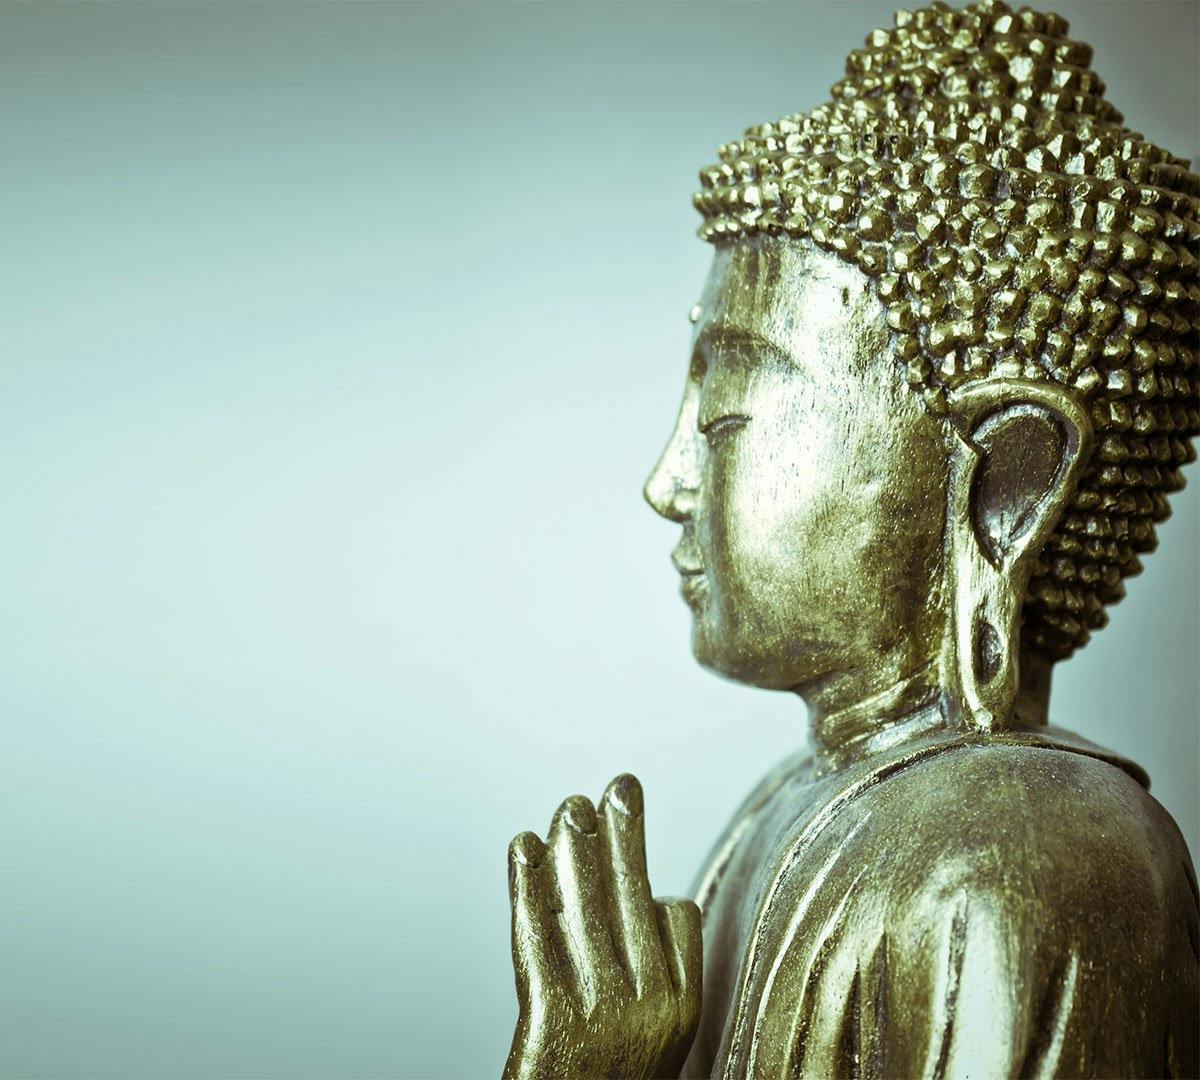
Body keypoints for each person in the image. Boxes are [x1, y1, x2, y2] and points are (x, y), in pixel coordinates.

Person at [504, 3, 1200, 1076]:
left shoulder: (1040, 860)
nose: (666, 482)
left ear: (1003, 486)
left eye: (724, 417)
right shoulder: (786, 804)